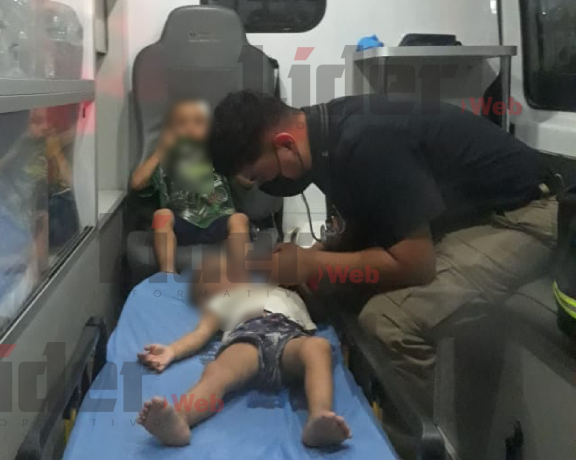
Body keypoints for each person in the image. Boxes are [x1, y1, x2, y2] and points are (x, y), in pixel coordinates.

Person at [208, 90, 558, 411]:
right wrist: (317, 257)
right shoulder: (325, 139)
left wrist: (311, 262)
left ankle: (408, 444)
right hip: (468, 219)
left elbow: (416, 265)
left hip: (527, 216)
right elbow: (368, 213)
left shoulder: (364, 141)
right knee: (325, 285)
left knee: (387, 321)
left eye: (260, 176)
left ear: (284, 145)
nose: (266, 186)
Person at [136, 254, 351, 447]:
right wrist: (172, 350)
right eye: (217, 275)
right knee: (218, 372)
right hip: (248, 338)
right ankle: (181, 418)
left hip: (291, 336)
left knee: (318, 347)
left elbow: (319, 305)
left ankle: (319, 416)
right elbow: (199, 334)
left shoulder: (282, 289)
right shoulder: (222, 301)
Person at [130, 99, 250, 273]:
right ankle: (168, 274)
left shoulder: (219, 157)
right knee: (161, 216)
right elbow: (137, 183)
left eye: (198, 122)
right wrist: (161, 150)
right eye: (181, 123)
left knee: (239, 220)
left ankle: (238, 272)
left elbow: (244, 179)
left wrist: (244, 175)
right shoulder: (165, 163)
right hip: (181, 224)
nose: (189, 128)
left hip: (217, 220)